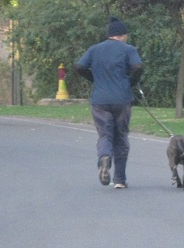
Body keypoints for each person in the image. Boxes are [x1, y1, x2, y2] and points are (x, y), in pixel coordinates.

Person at [75, 17, 143, 189]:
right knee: (121, 136)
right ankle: (119, 179)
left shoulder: (94, 49)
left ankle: (104, 157)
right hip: (122, 99)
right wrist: (131, 83)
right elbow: (137, 67)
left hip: (100, 100)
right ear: (121, 35)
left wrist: (94, 79)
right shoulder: (129, 49)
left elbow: (79, 67)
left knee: (105, 135)